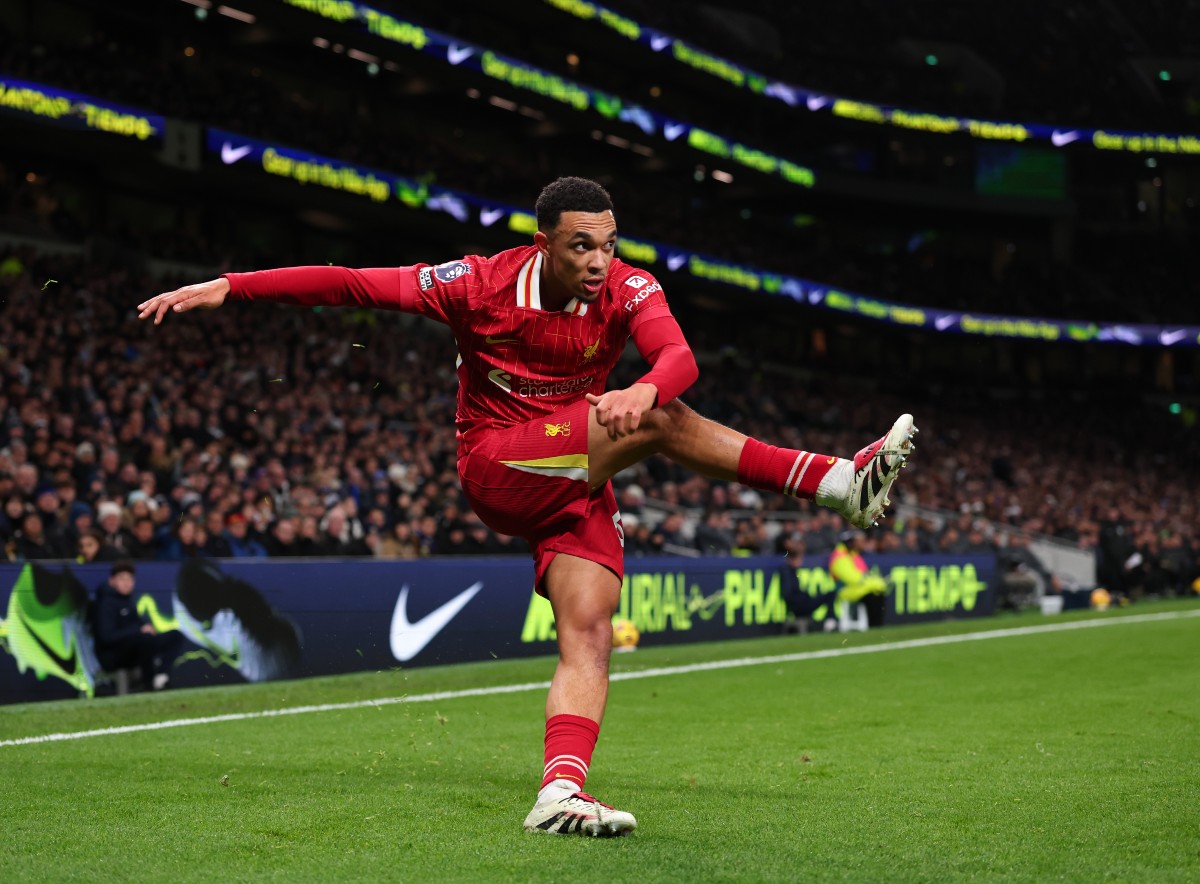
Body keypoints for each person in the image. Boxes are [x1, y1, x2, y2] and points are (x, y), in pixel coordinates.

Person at [138, 176, 917, 837]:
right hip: (498, 463)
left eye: (608, 243)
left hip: (576, 474)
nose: (599, 260)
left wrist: (646, 382)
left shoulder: (628, 286)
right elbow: (350, 283)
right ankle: (835, 483)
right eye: (582, 244)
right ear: (542, 241)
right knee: (656, 421)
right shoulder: (476, 284)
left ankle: (559, 792)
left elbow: (680, 357)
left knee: (590, 632)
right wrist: (229, 286)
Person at [90, 560, 182, 691]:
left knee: (175, 636)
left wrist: (146, 628)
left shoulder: (128, 601)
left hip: (135, 649)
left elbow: (137, 624)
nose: (127, 583)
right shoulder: (105, 604)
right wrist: (138, 630)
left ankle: (161, 676)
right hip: (113, 656)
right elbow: (107, 637)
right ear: (112, 581)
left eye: (130, 579)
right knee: (145, 639)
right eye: (122, 579)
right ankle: (149, 684)